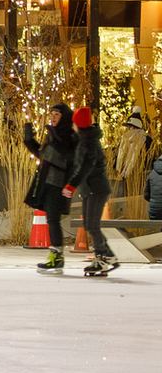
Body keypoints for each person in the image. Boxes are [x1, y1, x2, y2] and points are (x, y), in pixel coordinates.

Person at [23, 102, 77, 272]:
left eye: (57, 114)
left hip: (58, 184)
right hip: (47, 182)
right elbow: (43, 155)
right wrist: (29, 139)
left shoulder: (69, 135)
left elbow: (65, 158)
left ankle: (57, 257)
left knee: (53, 219)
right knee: (51, 219)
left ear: (64, 117)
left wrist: (53, 136)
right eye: (51, 114)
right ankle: (55, 256)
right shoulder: (53, 135)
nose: (53, 117)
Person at [69, 108, 117, 276]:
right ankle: (107, 255)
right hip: (89, 189)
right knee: (90, 225)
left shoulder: (89, 143)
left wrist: (71, 184)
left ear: (79, 124)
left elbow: (85, 167)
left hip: (96, 189)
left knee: (92, 225)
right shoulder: (83, 140)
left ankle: (103, 257)